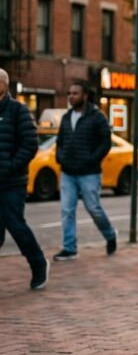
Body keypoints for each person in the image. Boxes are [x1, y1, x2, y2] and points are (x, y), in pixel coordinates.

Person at [54, 82, 117, 261]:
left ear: (85, 96)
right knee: (67, 210)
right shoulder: (66, 117)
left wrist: (91, 159)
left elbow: (105, 143)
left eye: (75, 93)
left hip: (89, 172)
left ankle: (110, 234)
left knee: (93, 208)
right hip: (68, 172)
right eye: (69, 93)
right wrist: (60, 157)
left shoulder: (97, 117)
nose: (71, 96)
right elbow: (60, 140)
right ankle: (69, 248)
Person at [0, 68, 47, 290]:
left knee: (16, 226)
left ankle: (38, 264)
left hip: (12, 182)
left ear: (3, 84)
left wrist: (10, 166)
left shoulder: (18, 110)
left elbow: (30, 144)